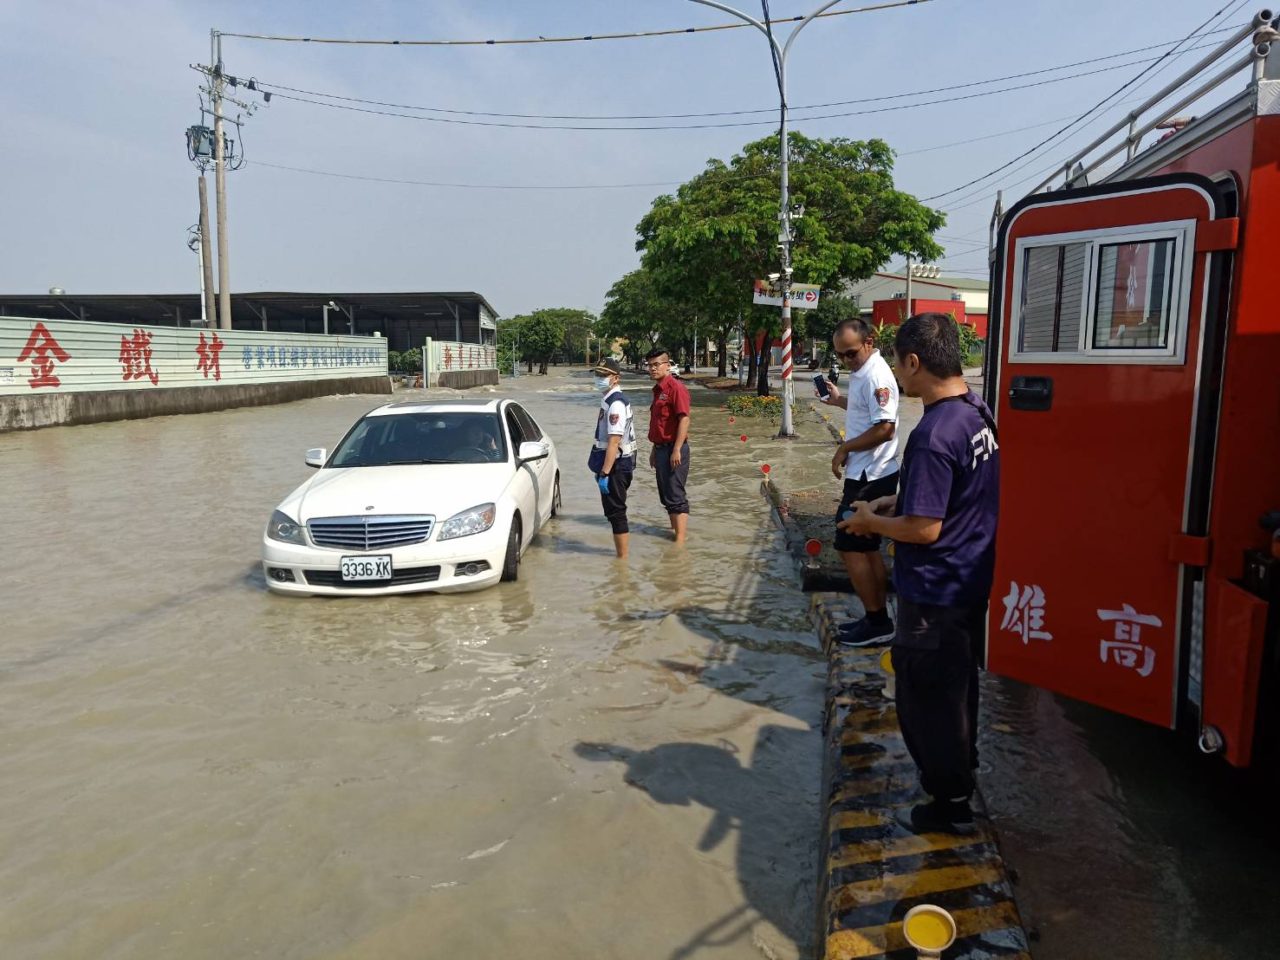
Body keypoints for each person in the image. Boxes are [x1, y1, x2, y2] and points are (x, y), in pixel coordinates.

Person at [838, 312, 1000, 835]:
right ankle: (962, 769)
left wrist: (870, 520)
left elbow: (927, 530)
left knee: (926, 698)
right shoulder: (975, 413)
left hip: (934, 590)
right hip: (970, 578)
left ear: (914, 362)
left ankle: (949, 802)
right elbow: (950, 494)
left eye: (901, 369)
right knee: (957, 687)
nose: (899, 379)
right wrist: (897, 498)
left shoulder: (931, 433)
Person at [817, 318, 900, 647]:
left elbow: (885, 429)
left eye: (850, 353)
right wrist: (838, 401)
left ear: (870, 341)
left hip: (872, 475)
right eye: (840, 356)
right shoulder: (864, 372)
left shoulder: (878, 374)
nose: (846, 360)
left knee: (848, 544)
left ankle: (879, 622)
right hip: (866, 472)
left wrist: (845, 447)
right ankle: (877, 616)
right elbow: (867, 413)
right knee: (865, 547)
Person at [589, 358, 636, 559]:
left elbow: (614, 442)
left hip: (616, 466)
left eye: (603, 376)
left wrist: (605, 473)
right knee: (614, 512)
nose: (599, 379)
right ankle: (621, 557)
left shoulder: (616, 404)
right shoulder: (610, 399)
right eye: (597, 375)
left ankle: (622, 561)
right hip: (615, 464)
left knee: (616, 513)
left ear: (615, 378)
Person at [645, 346, 691, 544]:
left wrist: (677, 449)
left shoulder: (676, 388)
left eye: (656, 365)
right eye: (649, 365)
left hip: (675, 449)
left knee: (675, 495)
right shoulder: (657, 390)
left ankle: (680, 544)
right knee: (666, 496)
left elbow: (684, 419)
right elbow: (659, 423)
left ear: (667, 365)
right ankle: (674, 533)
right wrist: (655, 450)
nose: (652, 369)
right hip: (662, 449)